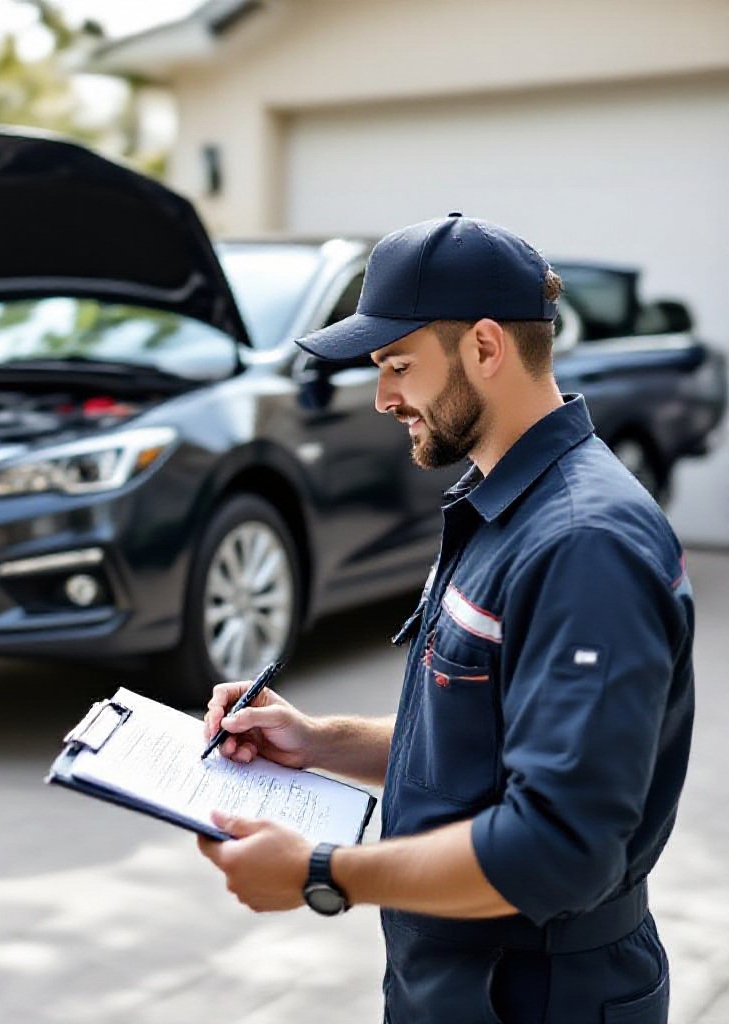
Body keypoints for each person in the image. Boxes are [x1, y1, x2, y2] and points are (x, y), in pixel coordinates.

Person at [197, 213, 694, 1024]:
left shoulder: (583, 544)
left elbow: (562, 847)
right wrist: (317, 740)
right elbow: (488, 742)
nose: (384, 397)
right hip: (462, 982)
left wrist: (323, 873)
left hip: (540, 995)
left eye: (398, 365)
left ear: (487, 348)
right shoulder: (506, 504)